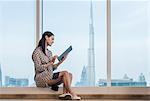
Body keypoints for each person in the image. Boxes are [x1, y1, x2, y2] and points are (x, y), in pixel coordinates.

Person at [32, 31, 81, 100]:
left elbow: (52, 68)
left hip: (49, 75)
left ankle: (64, 94)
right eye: (52, 39)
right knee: (65, 72)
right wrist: (50, 63)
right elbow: (38, 68)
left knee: (69, 75)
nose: (53, 41)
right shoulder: (37, 52)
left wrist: (61, 61)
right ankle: (72, 93)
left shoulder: (49, 53)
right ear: (46, 37)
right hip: (41, 79)